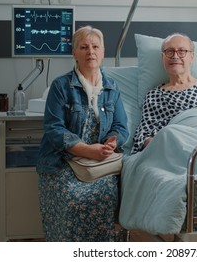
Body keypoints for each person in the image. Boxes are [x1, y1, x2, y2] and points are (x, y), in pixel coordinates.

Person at [36, 25, 129, 241]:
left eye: (95, 46)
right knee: (72, 198)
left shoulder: (112, 88)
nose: (91, 52)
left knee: (105, 196)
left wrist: (112, 143)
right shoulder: (60, 86)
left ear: (103, 51)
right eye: (84, 47)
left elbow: (121, 127)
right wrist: (87, 150)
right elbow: (54, 128)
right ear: (74, 53)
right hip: (62, 162)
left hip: (99, 164)